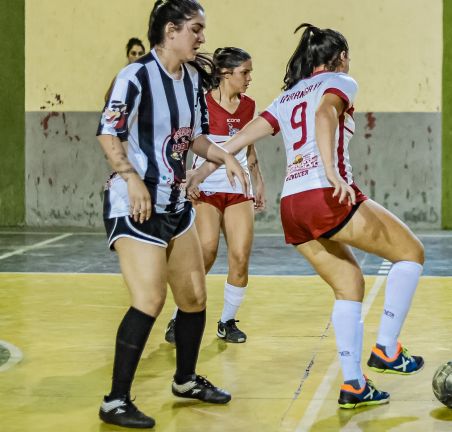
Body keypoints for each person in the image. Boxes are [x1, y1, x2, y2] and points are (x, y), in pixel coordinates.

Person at [187, 23, 425, 409]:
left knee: (349, 283)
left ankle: (353, 385)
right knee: (411, 253)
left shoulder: (289, 95)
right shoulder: (341, 82)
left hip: (291, 206)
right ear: (341, 57)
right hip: (323, 194)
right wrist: (331, 171)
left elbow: (249, 132)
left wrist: (204, 168)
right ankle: (387, 349)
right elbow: (327, 114)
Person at [97, 0, 248, 428]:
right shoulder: (136, 76)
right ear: (170, 30)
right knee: (149, 300)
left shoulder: (191, 83)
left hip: (176, 204)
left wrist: (224, 156)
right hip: (136, 205)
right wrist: (130, 178)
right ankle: (115, 400)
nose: (202, 38)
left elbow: (195, 139)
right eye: (196, 29)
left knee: (194, 298)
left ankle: (184, 380)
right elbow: (109, 135)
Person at [165, 47, 265, 344]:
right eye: (244, 72)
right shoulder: (202, 104)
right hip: (206, 187)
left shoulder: (249, 106)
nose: (249, 78)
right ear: (225, 74)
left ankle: (228, 321)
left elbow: (248, 147)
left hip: (238, 188)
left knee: (240, 256)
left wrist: (258, 181)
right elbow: (186, 145)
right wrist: (185, 180)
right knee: (205, 251)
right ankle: (178, 316)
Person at [104, 38, 146, 102]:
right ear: (128, 55)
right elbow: (107, 98)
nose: (137, 57)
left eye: (140, 54)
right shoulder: (121, 76)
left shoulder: (147, 77)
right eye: (133, 53)